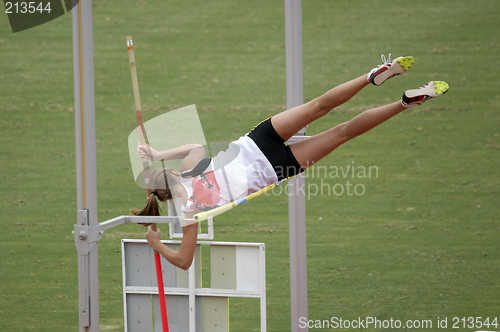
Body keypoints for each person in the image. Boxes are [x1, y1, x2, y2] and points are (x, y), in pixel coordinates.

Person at [132, 54, 449, 270]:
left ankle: (405, 102)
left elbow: (185, 261)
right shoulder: (191, 170)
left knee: (342, 133)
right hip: (258, 141)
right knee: (317, 106)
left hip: (276, 168)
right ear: (169, 172)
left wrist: (157, 245)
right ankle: (371, 76)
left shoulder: (191, 212)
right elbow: (194, 146)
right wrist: (157, 154)